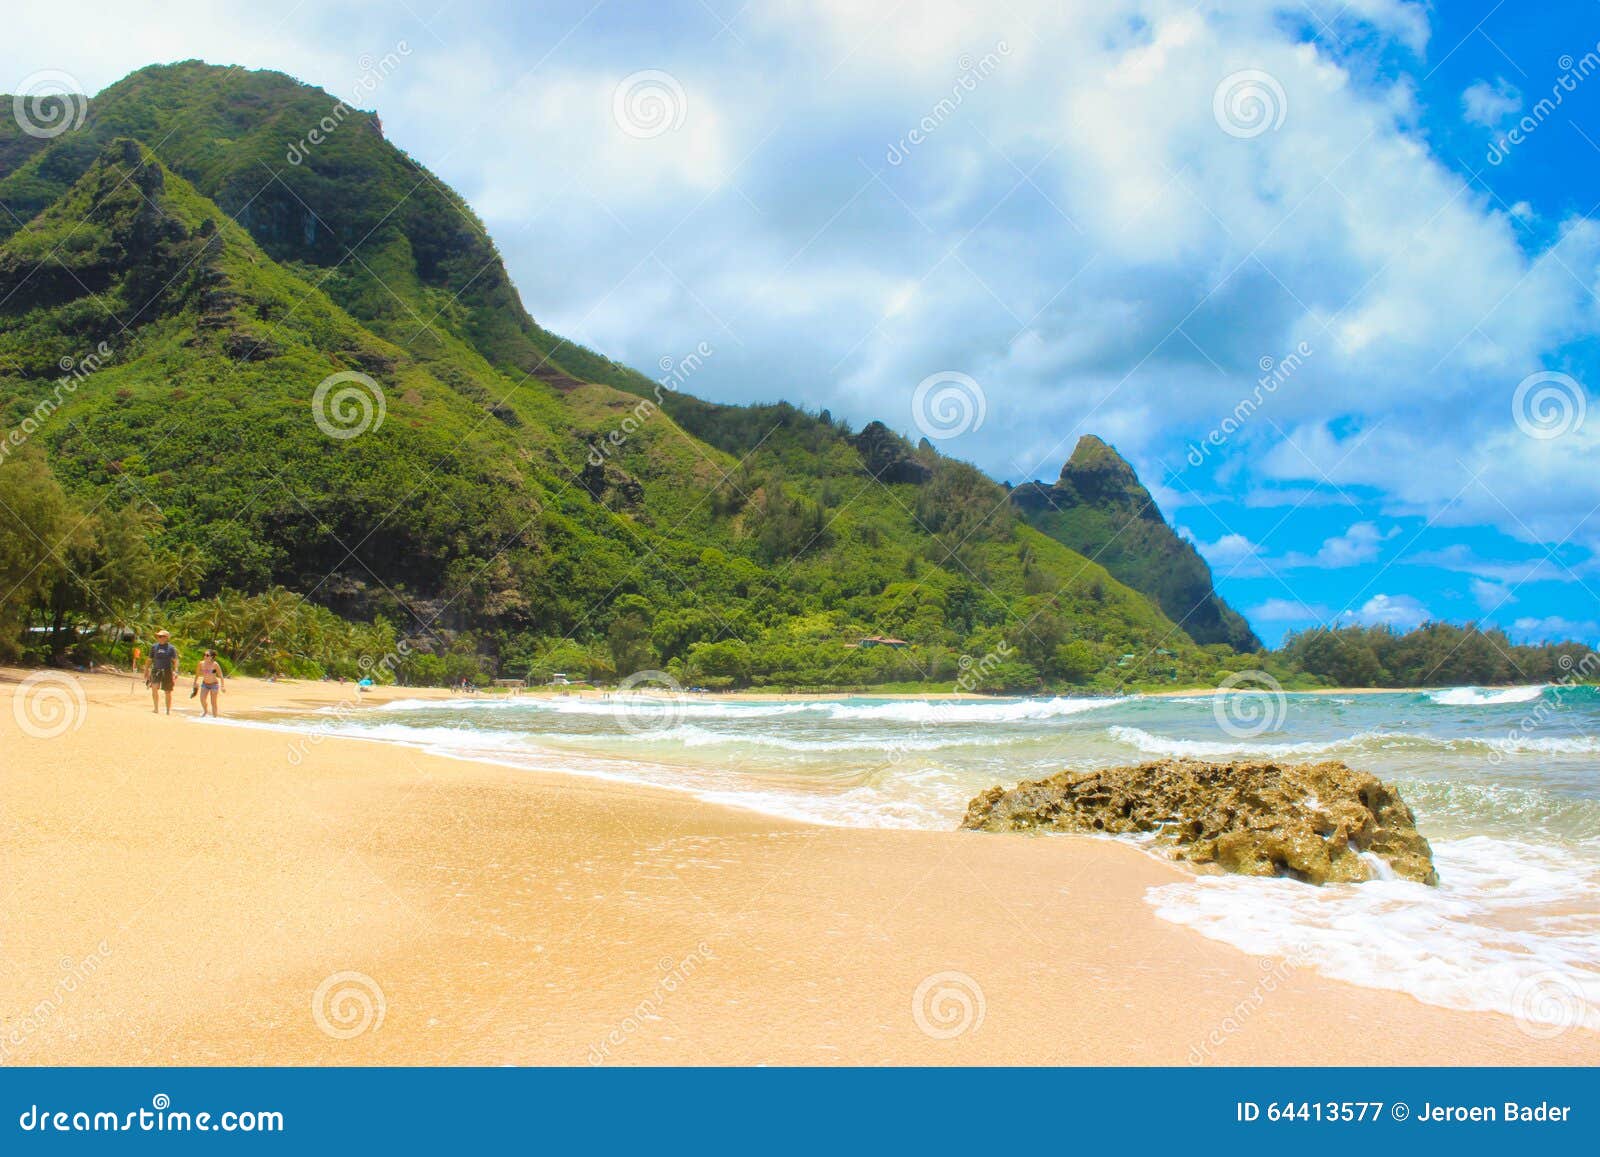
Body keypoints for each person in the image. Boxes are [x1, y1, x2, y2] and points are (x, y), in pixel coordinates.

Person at [145, 630, 179, 715]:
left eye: (161, 636)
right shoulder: (154, 647)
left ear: (166, 638)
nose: (159, 638)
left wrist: (176, 671)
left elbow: (175, 660)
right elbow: (150, 659)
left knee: (167, 691)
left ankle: (168, 710)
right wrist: (146, 669)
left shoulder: (171, 648)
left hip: (167, 670)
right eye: (158, 636)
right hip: (156, 670)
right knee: (154, 688)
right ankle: (156, 708)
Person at [194, 649, 226, 718]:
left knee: (213, 702)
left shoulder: (215, 664)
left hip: (214, 685)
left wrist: (222, 686)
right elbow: (197, 674)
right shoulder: (201, 663)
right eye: (204, 655)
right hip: (205, 684)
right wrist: (195, 682)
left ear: (211, 657)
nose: (205, 656)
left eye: (207, 655)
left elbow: (221, 675)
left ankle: (214, 717)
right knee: (202, 699)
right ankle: (205, 711)